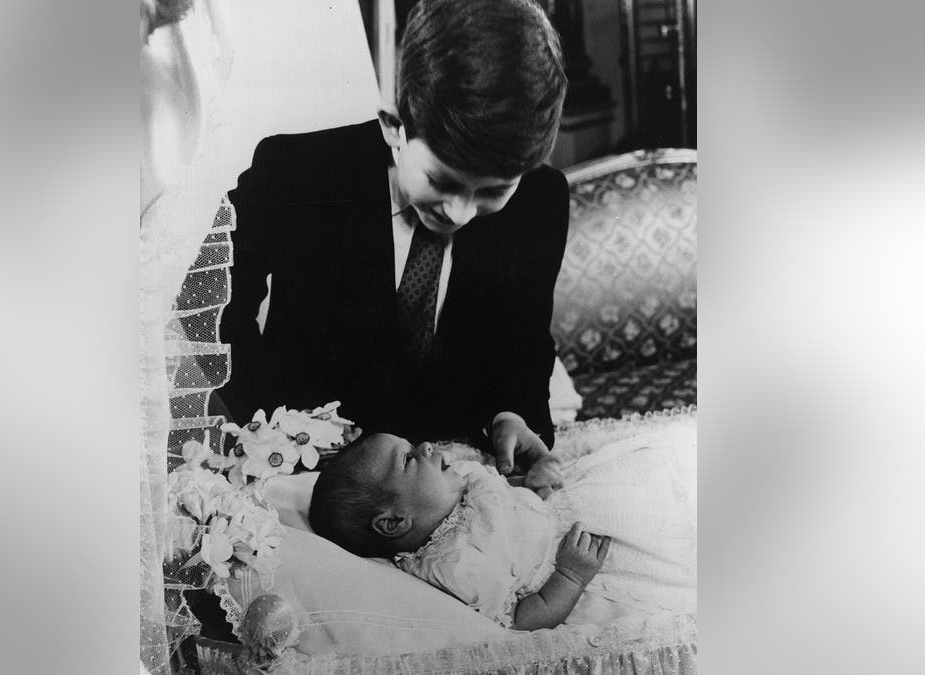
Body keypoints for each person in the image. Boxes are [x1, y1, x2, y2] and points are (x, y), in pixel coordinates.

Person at [211, 0, 570, 481]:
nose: (459, 213)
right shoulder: (297, 172)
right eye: (442, 181)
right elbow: (216, 305)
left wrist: (511, 416)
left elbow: (525, 343)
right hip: (304, 473)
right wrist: (266, 424)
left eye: (492, 191)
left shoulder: (541, 201)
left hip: (447, 475)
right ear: (394, 127)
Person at [307, 428, 697, 630]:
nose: (425, 446)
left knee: (656, 474)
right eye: (408, 459)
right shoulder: (456, 564)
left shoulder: (454, 488)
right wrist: (571, 575)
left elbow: (502, 499)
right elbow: (521, 620)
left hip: (562, 507)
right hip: (573, 556)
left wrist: (532, 483)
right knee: (659, 529)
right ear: (394, 522)